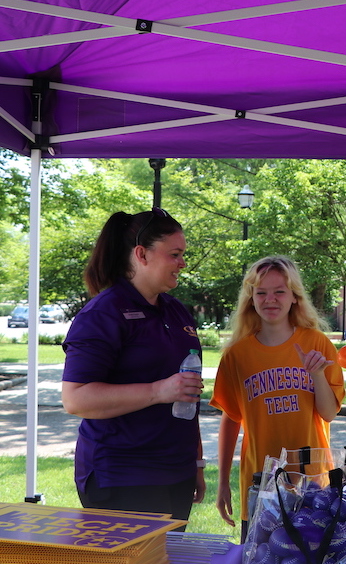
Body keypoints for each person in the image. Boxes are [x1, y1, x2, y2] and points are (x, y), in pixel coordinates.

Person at [61, 207, 205, 526]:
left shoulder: (176, 311)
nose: (183, 263)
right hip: (122, 475)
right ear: (141, 254)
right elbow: (76, 398)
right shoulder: (103, 313)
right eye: (175, 254)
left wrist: (196, 463)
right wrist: (157, 391)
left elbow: (188, 392)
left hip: (176, 471)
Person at [211, 255, 345, 540]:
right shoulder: (237, 355)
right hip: (261, 484)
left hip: (312, 484)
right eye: (261, 292)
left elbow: (329, 413)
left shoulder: (316, 343)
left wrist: (317, 374)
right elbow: (231, 419)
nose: (270, 299)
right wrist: (222, 482)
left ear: (295, 296)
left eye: (279, 291)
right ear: (251, 298)